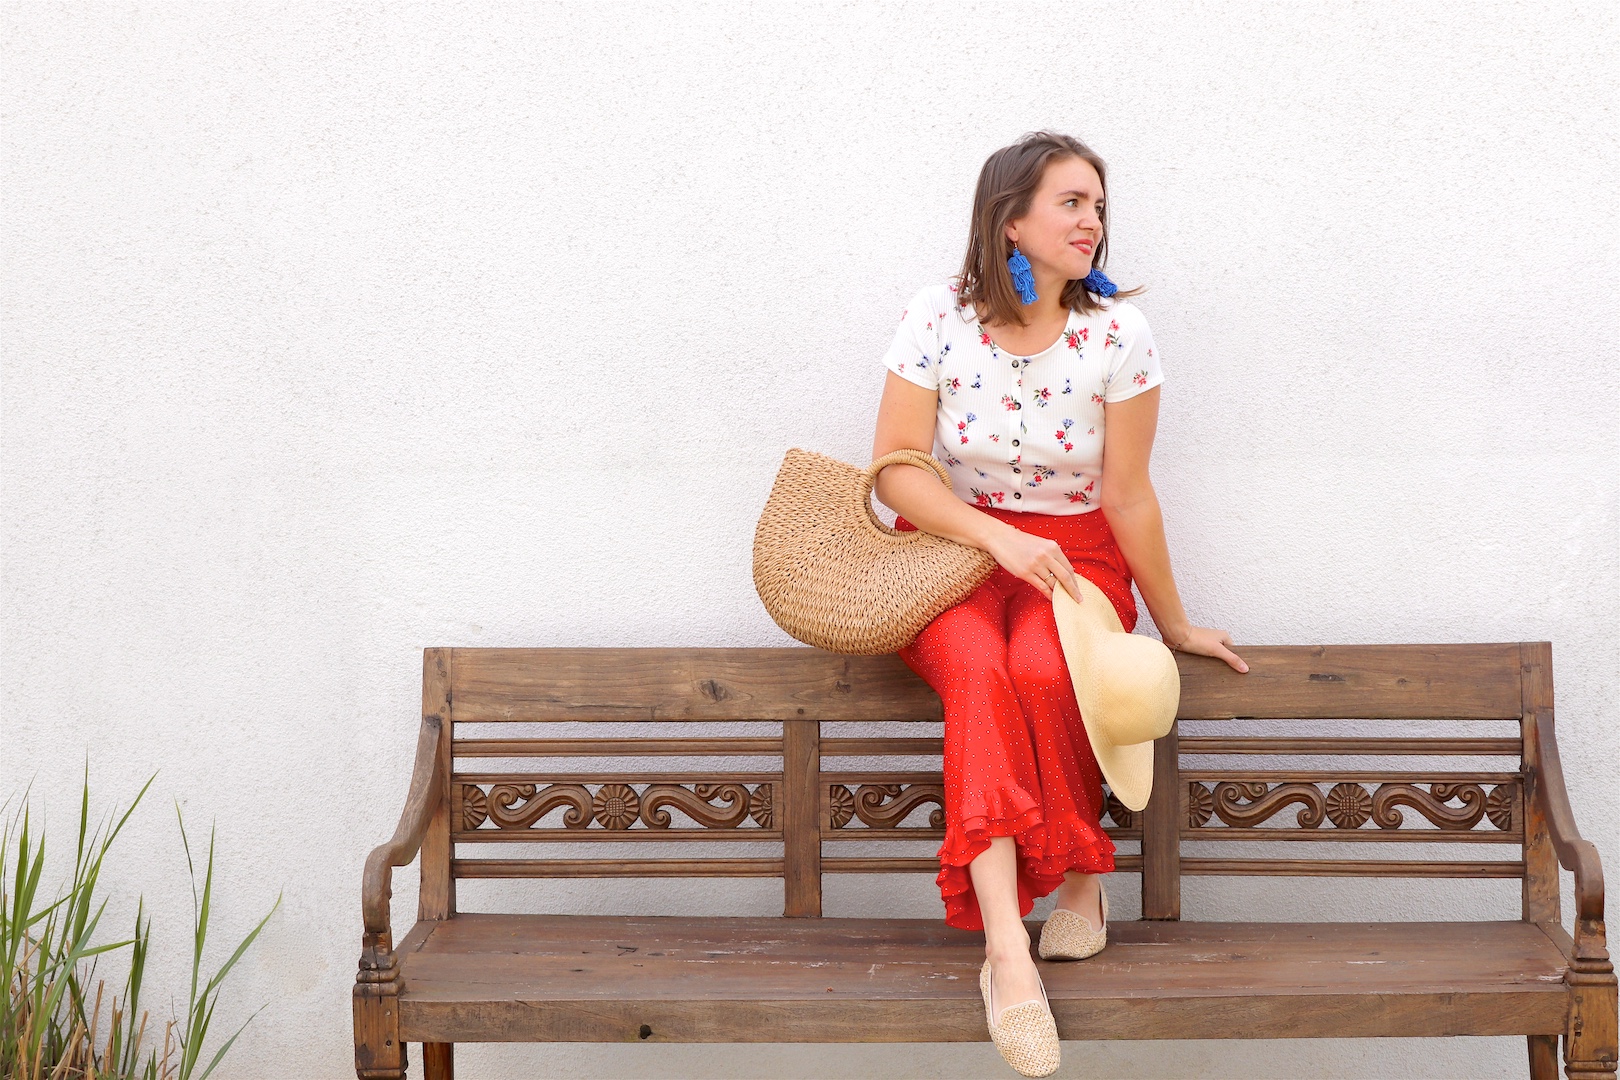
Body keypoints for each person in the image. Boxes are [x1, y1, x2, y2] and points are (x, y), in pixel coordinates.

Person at [870, 130, 1249, 1075]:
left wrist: (1173, 622)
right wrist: (996, 535)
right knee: (977, 668)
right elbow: (895, 476)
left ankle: (1084, 880)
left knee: (1046, 665)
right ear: (1012, 219)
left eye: (1097, 205)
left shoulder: (1118, 333)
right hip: (954, 555)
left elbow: (1127, 494)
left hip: (1079, 555)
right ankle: (1007, 950)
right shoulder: (937, 317)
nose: (1093, 221)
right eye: (1073, 203)